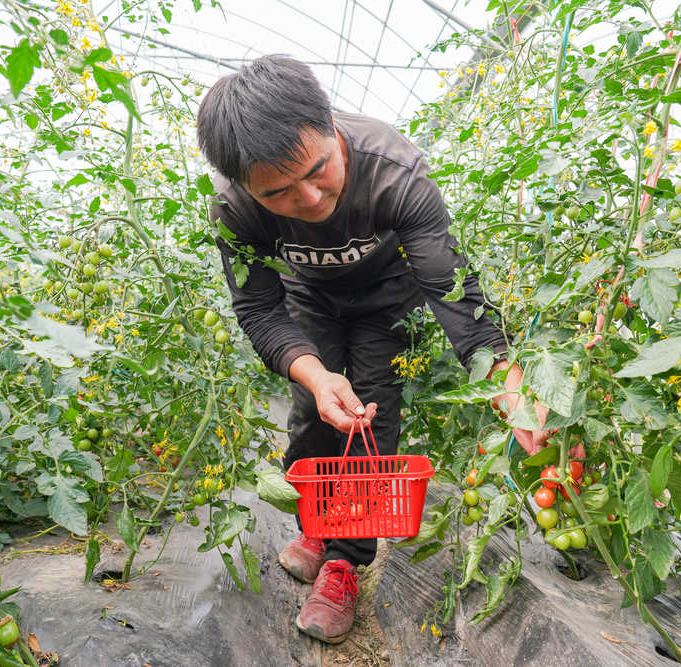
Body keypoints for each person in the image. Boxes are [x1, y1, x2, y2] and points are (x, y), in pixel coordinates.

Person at [196, 54, 550, 644]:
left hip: (390, 302)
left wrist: (508, 383)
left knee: (371, 416)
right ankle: (315, 522)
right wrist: (313, 374)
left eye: (319, 169)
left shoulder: (395, 173)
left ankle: (343, 560)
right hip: (307, 299)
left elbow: (453, 291)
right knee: (313, 413)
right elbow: (258, 309)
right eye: (278, 193)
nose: (309, 198)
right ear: (245, 186)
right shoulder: (236, 209)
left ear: (332, 126)